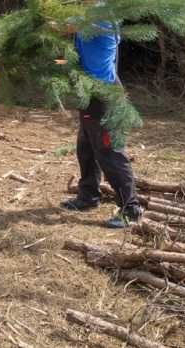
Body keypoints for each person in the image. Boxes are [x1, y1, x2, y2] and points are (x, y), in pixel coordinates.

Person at [60, 21, 143, 228]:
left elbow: (65, 25)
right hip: (90, 92)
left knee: (110, 152)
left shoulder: (100, 16)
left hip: (102, 94)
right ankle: (88, 196)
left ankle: (130, 209)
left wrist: (41, 17)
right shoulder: (89, 13)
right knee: (86, 147)